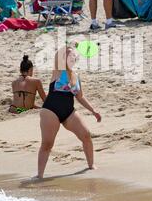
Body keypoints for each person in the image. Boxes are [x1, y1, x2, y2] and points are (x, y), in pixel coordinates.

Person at [36, 45, 102, 179]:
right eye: (68, 55)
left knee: (86, 135)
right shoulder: (58, 71)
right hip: (50, 110)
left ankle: (91, 165)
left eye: (73, 56)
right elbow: (57, 56)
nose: (71, 57)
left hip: (68, 111)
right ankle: (39, 175)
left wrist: (93, 110)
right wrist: (69, 46)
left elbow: (80, 96)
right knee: (47, 143)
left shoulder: (75, 76)